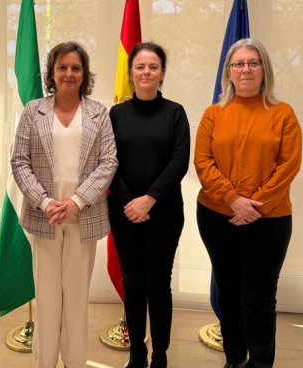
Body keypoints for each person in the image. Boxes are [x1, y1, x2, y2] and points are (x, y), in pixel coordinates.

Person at [194, 38, 302, 368]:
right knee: (228, 293)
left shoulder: (283, 113)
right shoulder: (213, 114)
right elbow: (202, 162)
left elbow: (289, 164)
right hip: (217, 217)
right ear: (228, 72)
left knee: (260, 298)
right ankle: (235, 358)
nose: (246, 69)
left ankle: (260, 363)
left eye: (253, 62)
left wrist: (253, 205)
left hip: (269, 220)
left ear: (264, 70)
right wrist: (232, 200)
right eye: (238, 64)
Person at [11, 41, 118, 368]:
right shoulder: (33, 110)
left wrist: (74, 201)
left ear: (84, 74)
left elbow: (108, 162)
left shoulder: (99, 113)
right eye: (62, 67)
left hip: (83, 220)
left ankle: (75, 363)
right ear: (52, 73)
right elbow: (19, 162)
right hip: (45, 220)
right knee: (46, 301)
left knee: (75, 303)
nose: (69, 74)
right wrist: (45, 203)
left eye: (75, 68)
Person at [108, 42, 190, 368]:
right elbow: (107, 161)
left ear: (162, 74)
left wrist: (150, 198)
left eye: (153, 67)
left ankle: (160, 356)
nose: (146, 72)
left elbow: (179, 161)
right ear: (131, 74)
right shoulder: (116, 114)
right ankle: (136, 355)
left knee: (158, 284)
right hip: (124, 211)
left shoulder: (175, 112)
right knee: (133, 284)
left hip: (165, 213)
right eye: (140, 67)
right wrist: (130, 202)